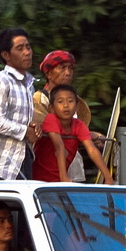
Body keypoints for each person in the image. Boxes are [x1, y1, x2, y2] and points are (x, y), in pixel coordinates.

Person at [31, 50, 100, 181]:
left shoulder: (75, 101)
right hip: (48, 171)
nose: (68, 73)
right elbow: (44, 131)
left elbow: (78, 129)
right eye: (62, 68)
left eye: (70, 68)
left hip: (74, 169)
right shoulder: (40, 99)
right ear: (48, 73)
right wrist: (89, 136)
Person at [30, 84, 114, 185]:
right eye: (60, 102)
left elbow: (91, 149)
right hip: (38, 180)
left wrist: (108, 177)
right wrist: (64, 177)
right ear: (51, 108)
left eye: (70, 101)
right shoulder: (51, 119)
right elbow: (59, 146)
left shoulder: (78, 124)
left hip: (59, 181)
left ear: (77, 106)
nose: (66, 105)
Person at [0, 28, 39, 180]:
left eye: (28, 47)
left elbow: (20, 120)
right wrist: (25, 131)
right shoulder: (1, 80)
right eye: (20, 48)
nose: (27, 52)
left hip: (23, 158)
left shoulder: (29, 84)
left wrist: (33, 128)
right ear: (6, 55)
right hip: (2, 164)